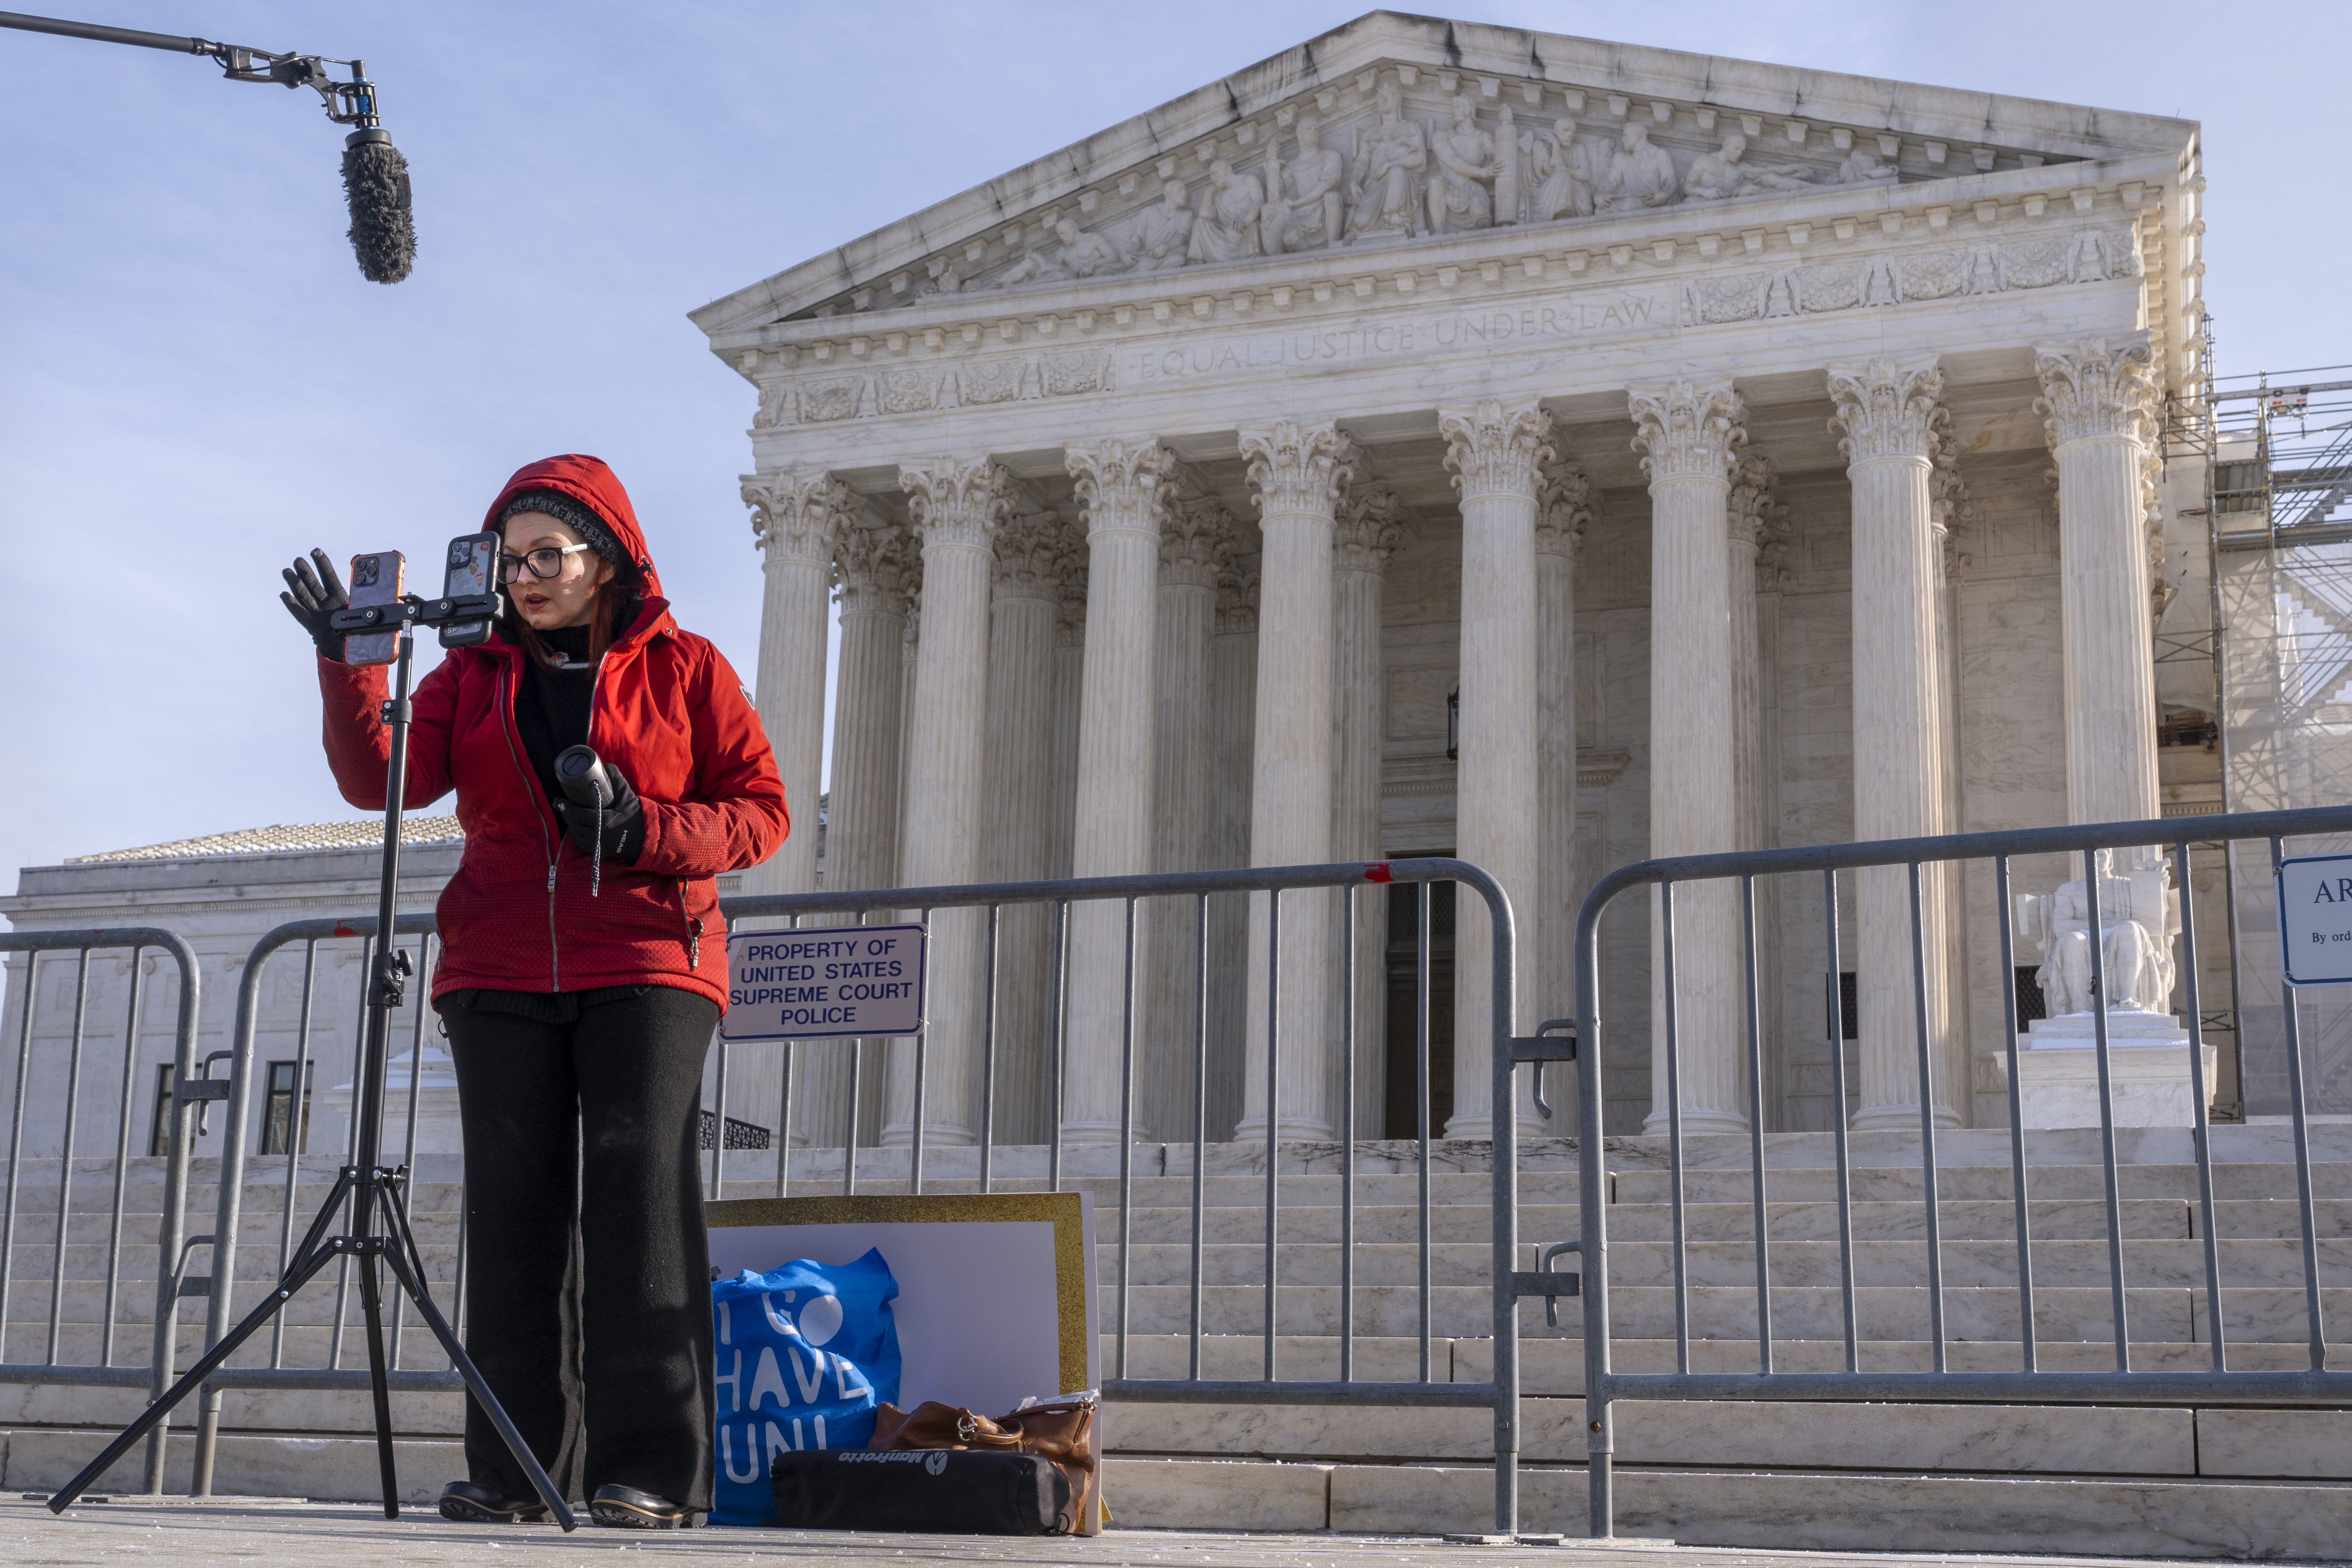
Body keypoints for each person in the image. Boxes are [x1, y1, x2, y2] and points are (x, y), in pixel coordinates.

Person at [279, 454, 789, 1531]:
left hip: (649, 956)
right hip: (500, 964)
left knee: (636, 1197)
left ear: (605, 558)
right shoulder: (472, 675)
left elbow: (761, 810)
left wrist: (647, 828)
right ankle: (514, 1466)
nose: (524, 577)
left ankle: (650, 1469)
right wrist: (348, 668)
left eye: (545, 556)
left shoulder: (689, 667)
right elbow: (383, 781)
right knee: (513, 1218)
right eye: (509, 560)